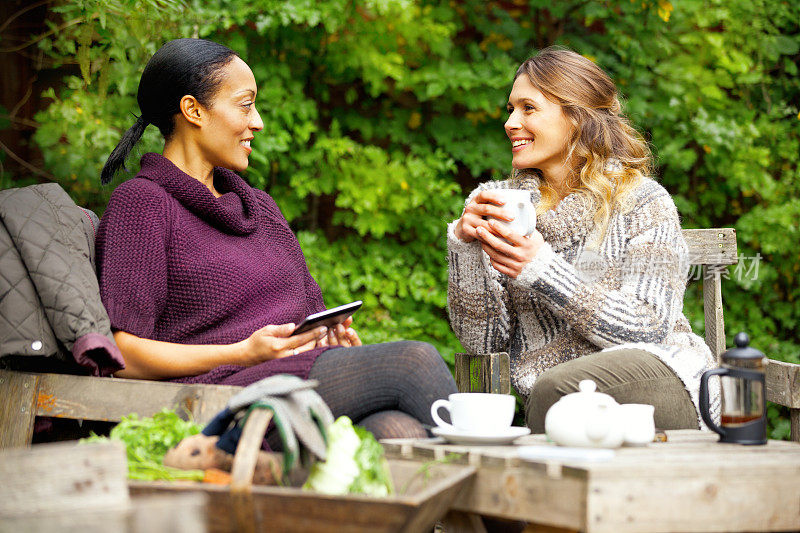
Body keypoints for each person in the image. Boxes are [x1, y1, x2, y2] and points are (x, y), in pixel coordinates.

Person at [95, 38, 457, 440]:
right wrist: (242, 352)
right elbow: (122, 353)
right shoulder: (143, 203)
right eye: (245, 104)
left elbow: (305, 313)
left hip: (288, 382)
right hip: (213, 395)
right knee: (414, 361)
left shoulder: (260, 208)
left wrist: (326, 337)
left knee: (398, 432)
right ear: (193, 110)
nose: (258, 122)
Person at [447, 47, 720, 433]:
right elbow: (483, 344)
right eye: (510, 109)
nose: (510, 122)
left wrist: (541, 269)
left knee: (557, 391)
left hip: (663, 379)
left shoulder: (643, 201)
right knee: (558, 395)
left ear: (576, 117)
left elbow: (648, 328)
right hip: (562, 404)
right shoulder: (501, 204)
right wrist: (465, 248)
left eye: (528, 108)